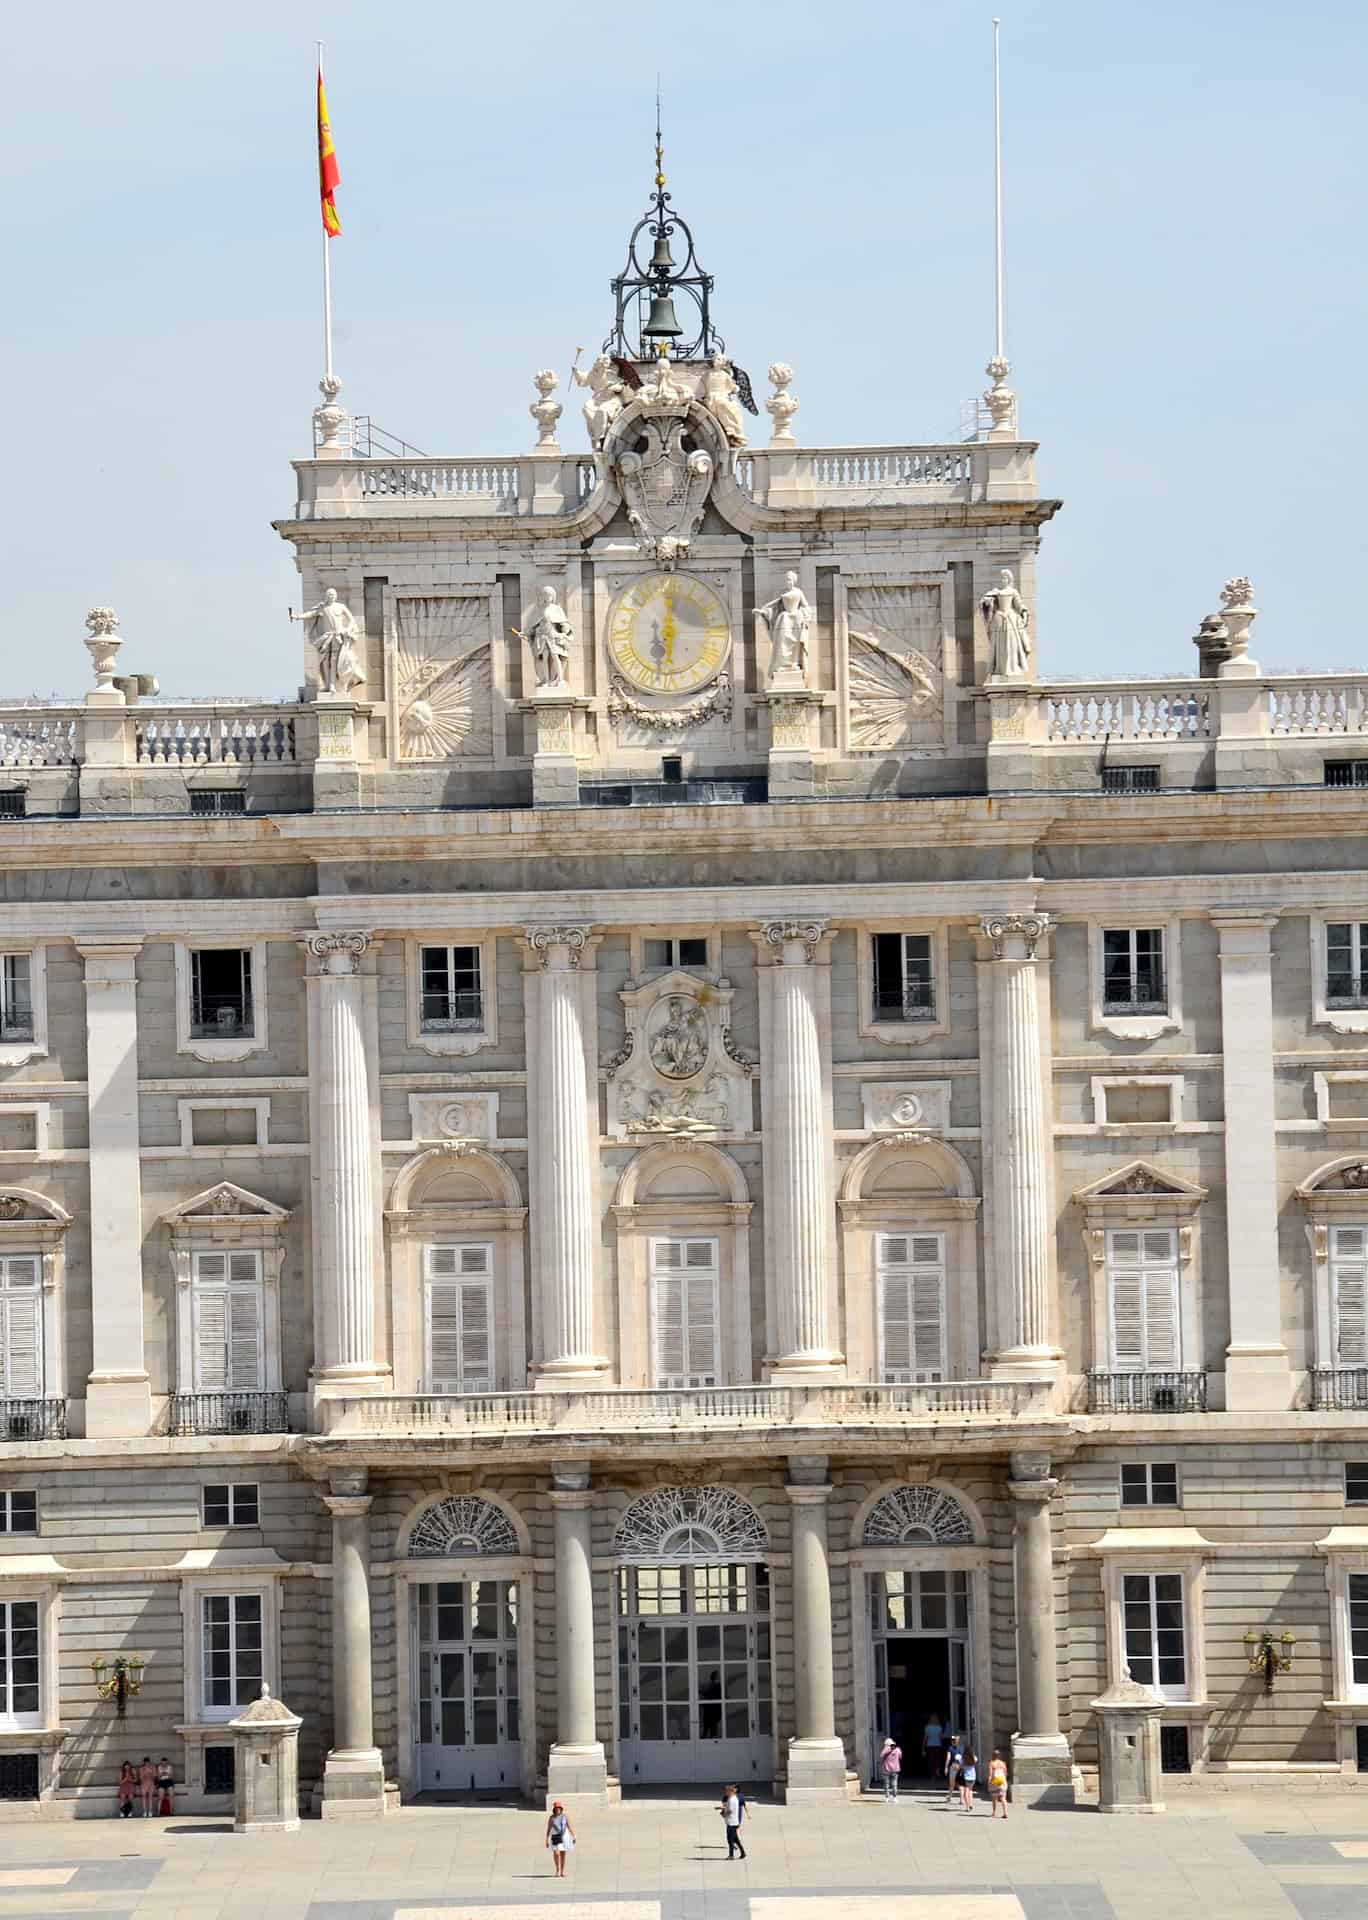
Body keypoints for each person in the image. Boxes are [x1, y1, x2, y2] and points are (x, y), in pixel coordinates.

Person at [545, 1800, 575, 1876]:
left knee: (563, 1854)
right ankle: (557, 1869)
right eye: (556, 1808)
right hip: (555, 1836)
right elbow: (548, 1829)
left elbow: (569, 1826)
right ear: (554, 1809)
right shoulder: (552, 1818)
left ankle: (562, 1871)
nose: (557, 1809)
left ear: (561, 1809)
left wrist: (573, 1836)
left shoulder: (565, 1817)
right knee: (556, 1853)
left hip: (564, 1836)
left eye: (559, 1808)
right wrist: (546, 1840)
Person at [719, 1783, 746, 1860]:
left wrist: (723, 1814)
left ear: (731, 1791)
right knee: (735, 1839)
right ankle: (743, 1853)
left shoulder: (732, 1800)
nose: (725, 1793)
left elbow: (730, 1810)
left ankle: (731, 1855)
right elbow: (728, 1808)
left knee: (730, 1839)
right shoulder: (731, 1799)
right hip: (731, 1822)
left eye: (727, 1791)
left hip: (732, 1823)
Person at [879, 1735, 902, 1802]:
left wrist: (886, 1749)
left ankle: (887, 1797)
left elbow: (881, 1755)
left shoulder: (885, 1750)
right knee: (894, 1784)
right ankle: (894, 1797)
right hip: (895, 1769)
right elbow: (900, 1757)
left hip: (886, 1769)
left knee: (886, 1784)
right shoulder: (897, 1749)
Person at [921, 1711, 944, 1777]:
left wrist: (923, 1748)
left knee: (931, 1760)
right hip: (938, 1745)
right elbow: (941, 1737)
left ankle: (932, 1774)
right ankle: (937, 1770)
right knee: (937, 1759)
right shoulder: (939, 1727)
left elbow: (925, 1738)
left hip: (929, 1745)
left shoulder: (927, 1727)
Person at [987, 1749, 1009, 1818]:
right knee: (1003, 1798)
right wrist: (1004, 1780)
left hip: (995, 1782)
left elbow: (990, 1774)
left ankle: (994, 1813)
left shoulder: (991, 1763)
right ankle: (1005, 1813)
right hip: (1002, 1782)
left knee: (994, 1798)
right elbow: (1005, 1773)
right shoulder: (1003, 1763)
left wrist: (989, 1782)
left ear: (993, 1755)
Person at [943, 1731, 963, 1804]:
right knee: (960, 1784)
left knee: (952, 1784)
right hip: (960, 1767)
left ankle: (949, 1798)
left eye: (952, 1740)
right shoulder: (961, 1748)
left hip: (953, 1767)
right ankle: (961, 1800)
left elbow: (948, 1758)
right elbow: (963, 1758)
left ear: (953, 1741)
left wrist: (946, 1767)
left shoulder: (950, 1748)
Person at [959, 1746, 978, 1812]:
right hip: (973, 1776)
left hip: (966, 1776)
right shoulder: (974, 1758)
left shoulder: (963, 1759)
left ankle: (967, 1807)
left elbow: (960, 1766)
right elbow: (975, 1761)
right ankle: (971, 1804)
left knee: (965, 1793)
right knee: (970, 1791)